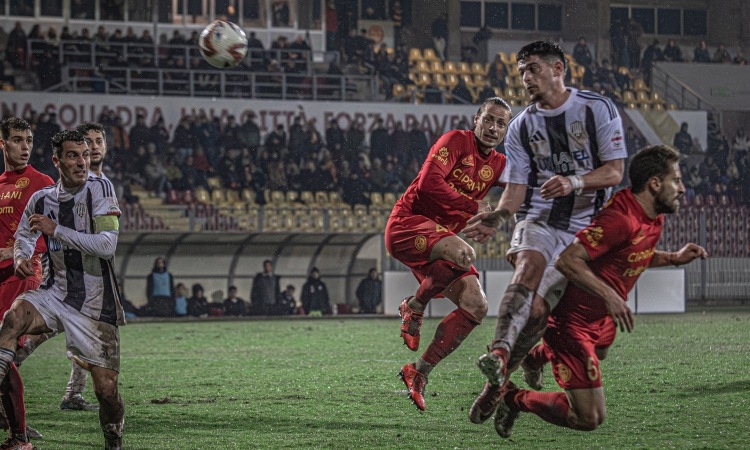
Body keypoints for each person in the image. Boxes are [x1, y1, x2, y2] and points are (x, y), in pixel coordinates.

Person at [490, 145, 707, 438]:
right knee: (588, 417)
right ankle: (514, 399)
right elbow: (567, 260)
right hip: (572, 323)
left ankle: (534, 357)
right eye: (676, 180)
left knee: (602, 351)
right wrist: (610, 296)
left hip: (600, 320)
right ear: (655, 183)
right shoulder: (620, 218)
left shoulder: (654, 214)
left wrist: (672, 258)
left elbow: (632, 253)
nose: (682, 188)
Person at [463, 41, 626, 423]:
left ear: (558, 69)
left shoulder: (596, 108)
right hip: (540, 219)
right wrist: (501, 216)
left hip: (585, 229)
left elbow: (615, 172)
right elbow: (516, 190)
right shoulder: (521, 125)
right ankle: (499, 354)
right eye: (521, 72)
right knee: (527, 269)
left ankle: (499, 387)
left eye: (533, 68)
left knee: (540, 314)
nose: (525, 78)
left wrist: (573, 182)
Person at [384, 96, 512, 411]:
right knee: (464, 253)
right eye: (489, 119)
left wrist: (575, 184)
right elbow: (428, 184)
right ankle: (415, 307)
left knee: (477, 305)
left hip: (441, 241)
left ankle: (418, 373)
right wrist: (475, 207)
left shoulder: (499, 164)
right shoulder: (456, 141)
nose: (493, 128)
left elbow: (528, 187)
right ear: (476, 119)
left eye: (501, 123)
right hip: (407, 225)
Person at [0, 129, 125, 449]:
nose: (82, 161)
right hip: (55, 293)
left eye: (85, 155)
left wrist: (58, 230)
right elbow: (25, 237)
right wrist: (21, 257)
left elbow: (108, 246)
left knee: (106, 392)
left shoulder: (101, 190)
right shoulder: (41, 198)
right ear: (57, 161)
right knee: (12, 320)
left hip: (96, 302)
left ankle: (113, 439)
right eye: (73, 156)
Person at [0, 117, 55, 444]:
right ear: (3, 144)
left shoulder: (41, 182)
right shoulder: (0, 183)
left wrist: (13, 253)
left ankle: (19, 436)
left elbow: (51, 233)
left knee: (3, 349)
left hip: (23, 276)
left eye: (29, 140)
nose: (25, 147)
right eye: (17, 140)